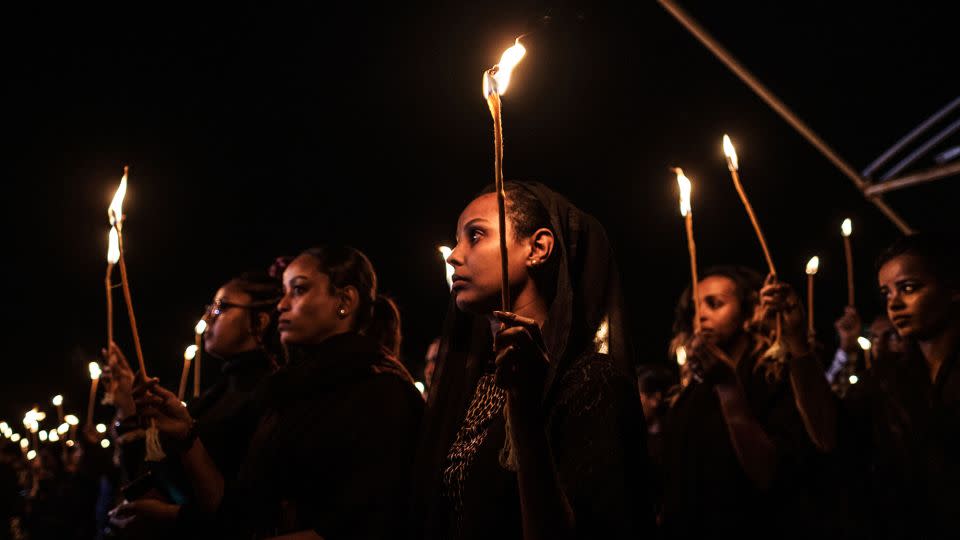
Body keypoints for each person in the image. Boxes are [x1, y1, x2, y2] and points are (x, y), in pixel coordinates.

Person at [121, 246, 424, 539]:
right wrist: (187, 438)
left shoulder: (381, 392)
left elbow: (364, 526)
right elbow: (236, 515)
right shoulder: (288, 392)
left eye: (299, 290)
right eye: (284, 292)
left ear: (344, 301)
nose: (282, 304)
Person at [413, 182, 652, 539]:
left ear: (538, 247)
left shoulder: (589, 382)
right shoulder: (478, 380)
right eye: (457, 239)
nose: (454, 256)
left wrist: (525, 413)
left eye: (475, 236)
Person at [661, 266, 837, 538]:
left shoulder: (772, 376)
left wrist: (729, 388)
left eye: (715, 304)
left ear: (747, 315)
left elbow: (771, 474)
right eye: (696, 308)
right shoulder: (690, 390)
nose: (702, 315)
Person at [107, 270, 283, 536]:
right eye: (209, 308)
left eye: (220, 308)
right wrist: (130, 411)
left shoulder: (269, 394)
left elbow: (244, 510)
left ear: (258, 321)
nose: (207, 318)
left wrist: (174, 517)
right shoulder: (215, 396)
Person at [850, 233, 960, 536]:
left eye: (908, 288)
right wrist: (797, 346)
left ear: (952, 288)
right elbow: (834, 432)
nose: (894, 304)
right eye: (886, 293)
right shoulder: (888, 377)